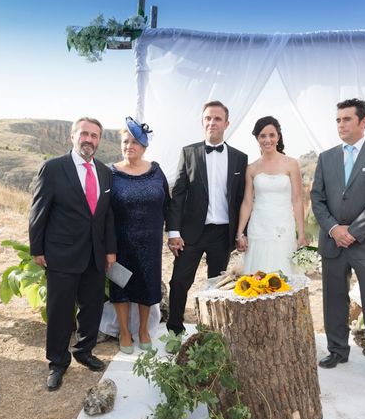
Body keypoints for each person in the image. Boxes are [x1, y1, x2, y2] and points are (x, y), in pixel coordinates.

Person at [310, 98, 365, 389]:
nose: (341, 124)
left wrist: (355, 231)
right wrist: (335, 229)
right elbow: (317, 199)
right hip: (333, 242)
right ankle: (337, 351)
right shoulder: (325, 157)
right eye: (338, 120)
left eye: (347, 119)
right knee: (334, 298)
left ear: (363, 122)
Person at [29, 117, 117, 390]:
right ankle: (57, 361)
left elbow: (107, 216)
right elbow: (38, 210)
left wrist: (110, 250)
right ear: (72, 136)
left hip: (94, 253)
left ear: (99, 140)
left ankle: (84, 350)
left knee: (92, 306)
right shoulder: (54, 168)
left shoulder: (104, 171)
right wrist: (37, 248)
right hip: (62, 253)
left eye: (94, 135)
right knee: (60, 310)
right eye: (84, 134)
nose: (89, 139)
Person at [166, 101, 248, 334]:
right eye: (208, 118)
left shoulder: (239, 158)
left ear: (227, 123)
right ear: (202, 122)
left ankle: (213, 331)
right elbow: (178, 194)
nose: (212, 123)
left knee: (217, 284)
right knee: (179, 281)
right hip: (191, 232)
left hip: (223, 234)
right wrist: (174, 232)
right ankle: (174, 330)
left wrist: (243, 233)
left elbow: (242, 198)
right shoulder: (188, 152)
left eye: (217, 119)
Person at [108, 117, 170, 353]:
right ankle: (124, 331)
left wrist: (172, 232)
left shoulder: (156, 171)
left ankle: (143, 330)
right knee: (120, 287)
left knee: (147, 286)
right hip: (119, 243)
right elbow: (103, 212)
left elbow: (168, 203)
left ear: (144, 147)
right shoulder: (111, 173)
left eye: (134, 142)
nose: (129, 146)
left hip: (150, 241)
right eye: (125, 142)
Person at [235, 116, 308, 274]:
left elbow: (297, 200)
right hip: (258, 227)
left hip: (283, 226)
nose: (267, 140)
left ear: (278, 137)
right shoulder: (252, 168)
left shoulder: (292, 164)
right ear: (257, 138)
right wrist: (240, 233)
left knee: (284, 273)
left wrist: (301, 233)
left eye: (271, 135)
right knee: (257, 275)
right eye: (262, 135)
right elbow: (247, 202)